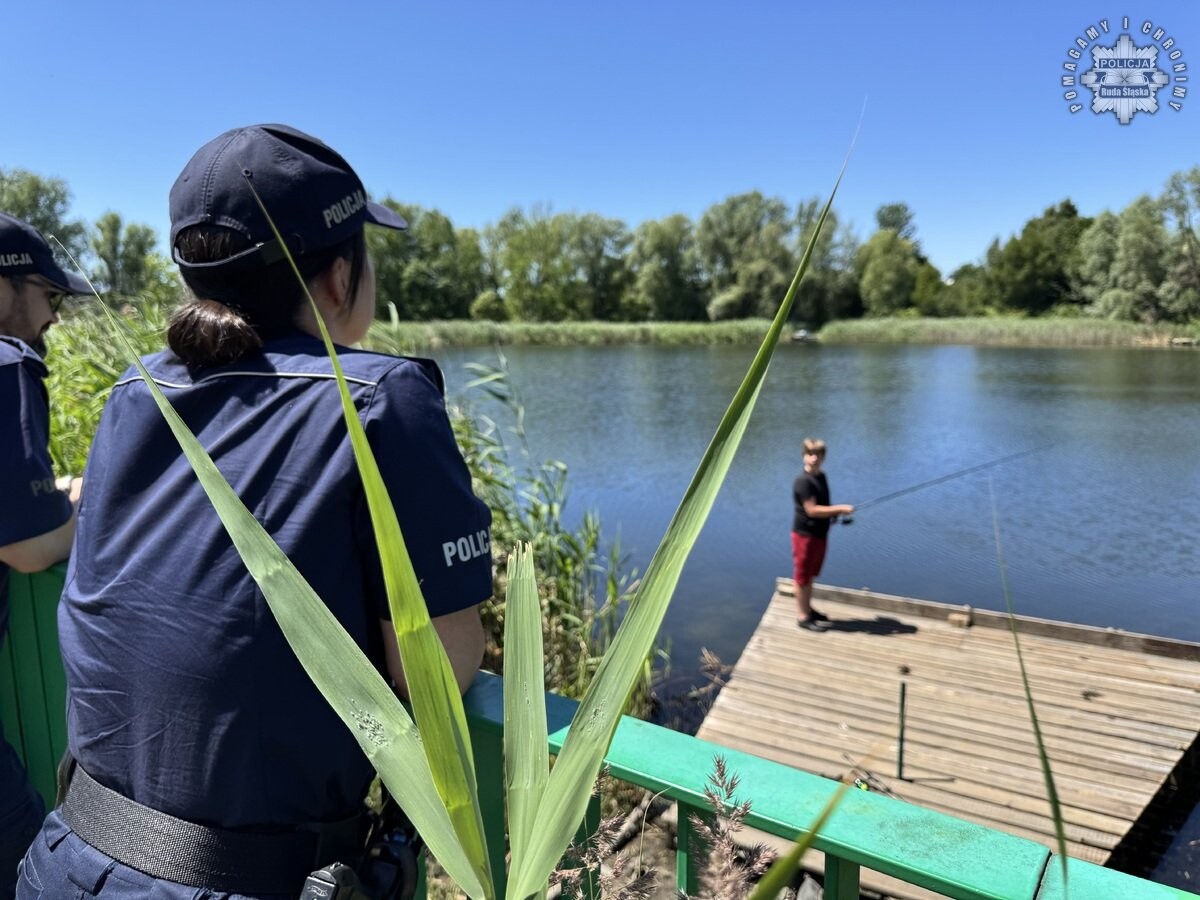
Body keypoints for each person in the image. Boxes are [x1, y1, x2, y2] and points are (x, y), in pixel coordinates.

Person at [16, 124, 493, 899]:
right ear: (340, 276)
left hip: (67, 859)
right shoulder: (379, 398)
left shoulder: (135, 393)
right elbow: (436, 669)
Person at [0, 212, 89, 900]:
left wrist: (42, 497)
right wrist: (88, 511)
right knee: (32, 870)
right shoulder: (9, 363)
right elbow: (29, 550)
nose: (54, 316)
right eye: (48, 294)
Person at [791, 437, 853, 631]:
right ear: (804, 456)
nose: (814, 458)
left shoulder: (821, 477)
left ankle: (808, 609)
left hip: (819, 533)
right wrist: (840, 509)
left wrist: (833, 515)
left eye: (818, 455)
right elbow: (811, 510)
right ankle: (803, 617)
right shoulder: (803, 481)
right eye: (810, 454)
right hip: (805, 535)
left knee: (810, 575)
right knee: (802, 576)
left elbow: (824, 504)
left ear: (823, 457)